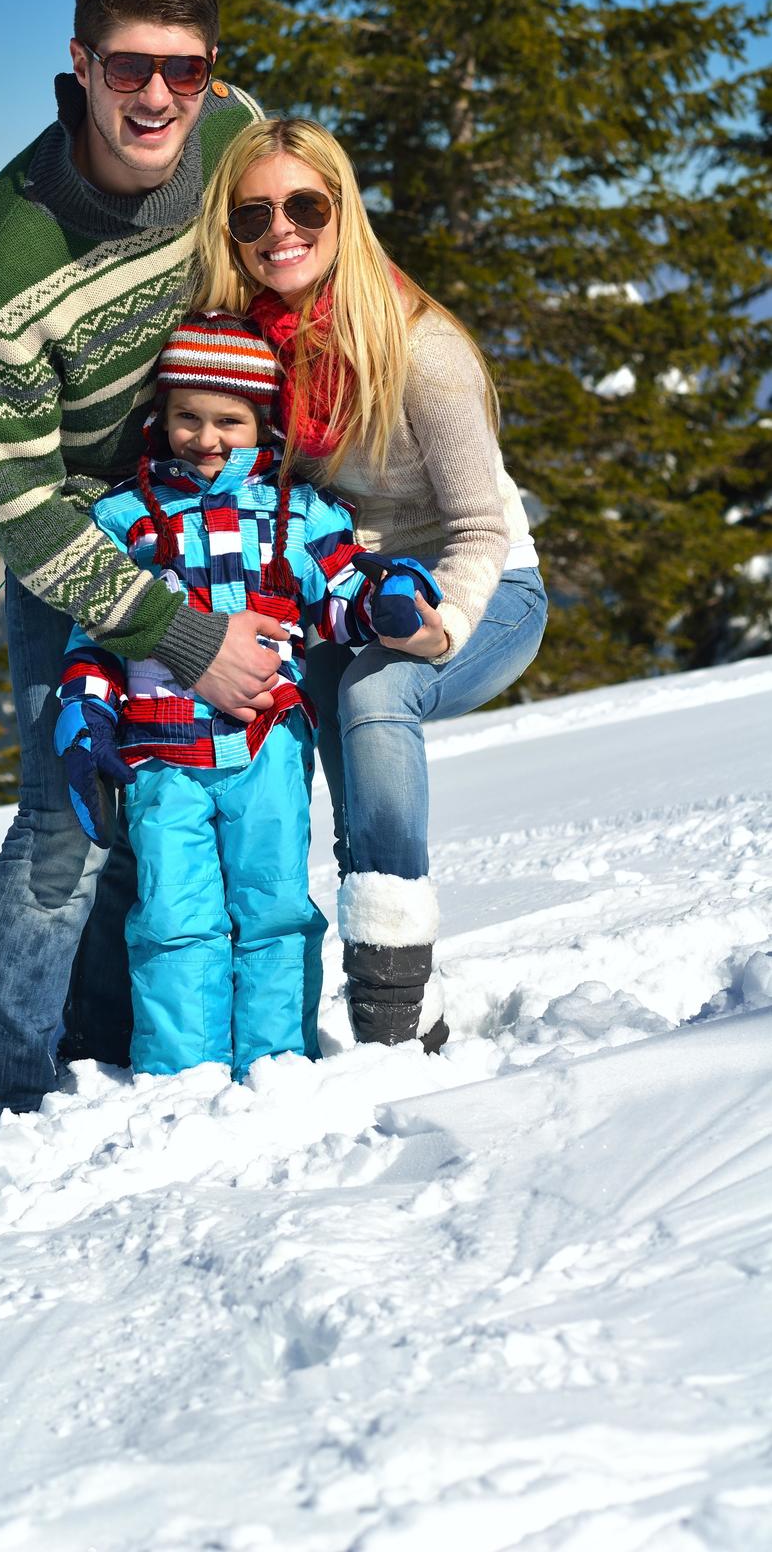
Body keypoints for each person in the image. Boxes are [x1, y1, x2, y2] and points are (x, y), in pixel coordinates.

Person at [0, 0, 274, 1130]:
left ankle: (103, 1029)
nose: (156, 98)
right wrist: (181, 636)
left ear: (211, 75)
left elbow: (303, 227)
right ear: (79, 65)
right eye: (129, 66)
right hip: (79, 534)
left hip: (204, 507)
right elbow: (23, 508)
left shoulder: (233, 132)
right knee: (68, 816)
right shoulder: (10, 253)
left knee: (168, 793)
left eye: (182, 72)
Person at [189, 118, 548, 1052]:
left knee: (378, 691)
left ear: (345, 211)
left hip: (485, 586)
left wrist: (445, 623)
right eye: (254, 213)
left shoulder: (421, 352)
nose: (282, 230)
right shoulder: (254, 348)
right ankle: (295, 981)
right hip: (351, 590)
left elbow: (482, 527)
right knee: (302, 704)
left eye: (305, 206)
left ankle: (389, 1016)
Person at [53, 312, 391, 1078]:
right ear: (162, 417)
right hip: (159, 752)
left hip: (265, 742)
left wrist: (384, 601)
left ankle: (276, 1062)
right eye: (187, 418)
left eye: (229, 421)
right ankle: (182, 1073)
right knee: (173, 916)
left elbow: (338, 595)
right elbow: (99, 632)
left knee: (272, 907)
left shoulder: (298, 513)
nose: (206, 439)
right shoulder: (126, 519)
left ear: (261, 421)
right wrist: (86, 710)